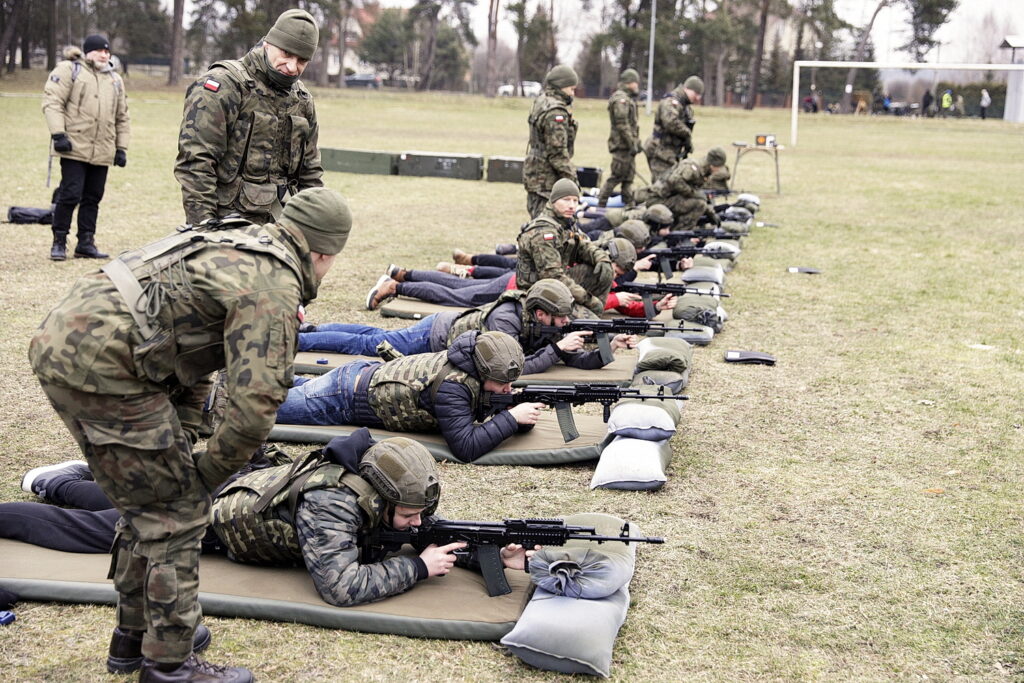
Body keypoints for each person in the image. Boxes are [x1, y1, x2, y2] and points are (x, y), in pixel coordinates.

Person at [27, 187, 352, 682]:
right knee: (176, 514)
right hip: (108, 368)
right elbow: (252, 411)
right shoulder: (272, 286)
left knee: (150, 503)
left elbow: (194, 351)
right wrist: (206, 476)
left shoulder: (240, 238)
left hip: (72, 339)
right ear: (324, 252)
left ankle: (135, 638)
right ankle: (170, 667)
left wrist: (184, 435)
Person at [7, 435, 534, 613]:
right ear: (382, 495)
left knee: (127, 501)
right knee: (102, 531)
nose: (419, 522)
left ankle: (58, 481)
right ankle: (46, 493)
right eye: (410, 514)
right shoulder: (334, 504)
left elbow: (423, 533)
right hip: (213, 522)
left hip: (241, 488)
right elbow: (341, 588)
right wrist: (418, 570)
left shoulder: (390, 490)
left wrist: (482, 552)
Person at [271, 331, 544, 464]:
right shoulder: (454, 386)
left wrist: (513, 408)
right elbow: (466, 448)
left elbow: (482, 407)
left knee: (282, 388)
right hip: (343, 398)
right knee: (262, 408)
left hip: (355, 379)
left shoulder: (469, 364)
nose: (508, 388)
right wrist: (510, 418)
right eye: (502, 383)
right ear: (483, 372)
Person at [176, 9, 324, 227]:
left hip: (282, 227)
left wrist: (313, 228)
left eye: (302, 60)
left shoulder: (302, 100)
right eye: (286, 54)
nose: (292, 67)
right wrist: (204, 228)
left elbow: (310, 173)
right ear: (268, 44)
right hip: (229, 225)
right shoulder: (224, 85)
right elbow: (196, 163)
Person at [300, 279, 635, 372]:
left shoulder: (542, 325)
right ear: (540, 312)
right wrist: (557, 349)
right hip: (435, 335)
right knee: (369, 344)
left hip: (444, 333)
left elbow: (574, 359)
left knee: (374, 336)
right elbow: (514, 367)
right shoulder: (506, 319)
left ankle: (313, 331)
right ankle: (304, 339)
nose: (564, 323)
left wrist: (610, 347)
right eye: (560, 317)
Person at [42, 34, 130, 261]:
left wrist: (121, 148)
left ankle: (85, 243)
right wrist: (58, 134)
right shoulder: (69, 70)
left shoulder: (115, 80)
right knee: (70, 194)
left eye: (107, 51)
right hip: (73, 146)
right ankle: (59, 242)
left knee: (93, 197)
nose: (105, 54)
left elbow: (122, 116)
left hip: (102, 149)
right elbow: (52, 102)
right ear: (88, 51)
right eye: (100, 50)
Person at [515, 178, 612, 316]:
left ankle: (591, 314)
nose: (572, 205)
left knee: (603, 270)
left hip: (555, 286)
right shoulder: (544, 232)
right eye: (566, 200)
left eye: (575, 200)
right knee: (588, 325)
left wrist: (601, 258)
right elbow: (553, 277)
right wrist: (588, 299)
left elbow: (583, 246)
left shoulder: (564, 222)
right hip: (538, 294)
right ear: (553, 201)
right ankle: (584, 316)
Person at [523, 65, 579, 218]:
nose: (573, 94)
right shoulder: (556, 112)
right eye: (571, 89)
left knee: (538, 219)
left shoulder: (541, 101)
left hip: (535, 171)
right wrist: (573, 181)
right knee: (545, 223)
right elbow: (557, 153)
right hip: (546, 177)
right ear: (561, 86)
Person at [643, 75, 703, 182]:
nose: (698, 98)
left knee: (670, 184)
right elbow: (671, 122)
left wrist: (687, 144)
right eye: (696, 94)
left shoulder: (685, 106)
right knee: (662, 186)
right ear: (687, 89)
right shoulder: (671, 102)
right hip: (660, 150)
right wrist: (687, 133)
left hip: (670, 151)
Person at [597, 69, 641, 207]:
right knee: (616, 176)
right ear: (629, 83)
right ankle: (601, 204)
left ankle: (629, 204)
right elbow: (622, 124)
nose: (637, 86)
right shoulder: (621, 100)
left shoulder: (627, 99)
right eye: (635, 83)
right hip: (622, 146)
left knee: (628, 178)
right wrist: (632, 143)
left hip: (628, 146)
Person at [635, 157, 718, 230]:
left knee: (699, 202)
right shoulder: (692, 168)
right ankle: (680, 234)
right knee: (699, 204)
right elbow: (674, 180)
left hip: (665, 199)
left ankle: (675, 230)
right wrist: (692, 193)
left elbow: (697, 194)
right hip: (659, 200)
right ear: (712, 165)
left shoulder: (702, 172)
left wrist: (711, 213)